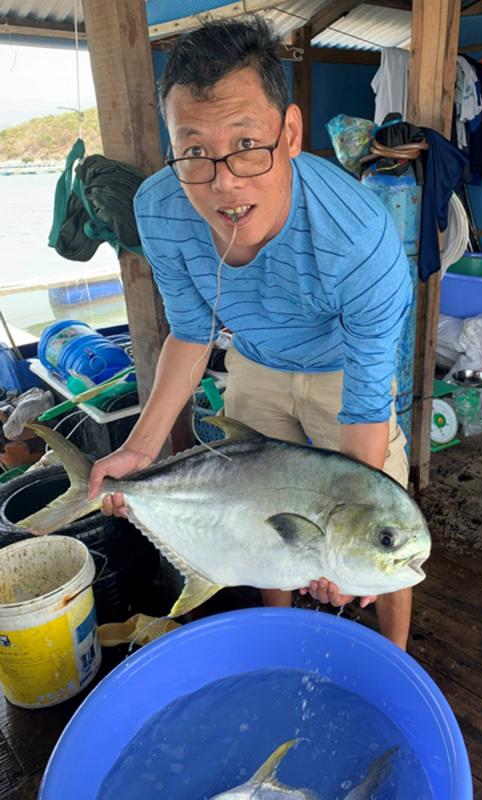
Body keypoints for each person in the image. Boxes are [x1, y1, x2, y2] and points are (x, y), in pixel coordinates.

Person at [88, 16, 414, 649]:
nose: (223, 181)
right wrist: (140, 447)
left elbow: (370, 400)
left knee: (378, 533)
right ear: (172, 145)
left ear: (289, 133)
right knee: (262, 528)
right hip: (256, 363)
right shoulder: (159, 206)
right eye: (195, 151)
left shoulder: (360, 238)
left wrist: (343, 533)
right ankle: (284, 635)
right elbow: (189, 331)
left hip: (341, 372)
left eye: (246, 144)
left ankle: (396, 657)